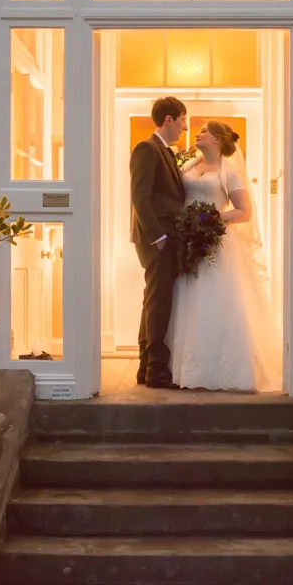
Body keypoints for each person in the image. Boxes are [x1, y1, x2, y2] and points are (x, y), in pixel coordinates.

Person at [168, 120, 282, 392]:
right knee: (189, 302)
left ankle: (226, 368)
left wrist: (211, 220)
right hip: (188, 243)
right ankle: (187, 368)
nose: (198, 133)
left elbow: (244, 212)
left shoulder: (229, 173)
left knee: (218, 302)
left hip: (215, 244)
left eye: (205, 131)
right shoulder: (189, 166)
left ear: (218, 139)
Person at [130, 96, 187, 389]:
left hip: (162, 238)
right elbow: (140, 198)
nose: (184, 126)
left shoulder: (165, 151)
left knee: (153, 301)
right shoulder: (147, 149)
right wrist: (159, 236)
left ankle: (146, 367)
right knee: (159, 302)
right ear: (169, 119)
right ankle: (157, 371)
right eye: (182, 120)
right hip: (155, 239)